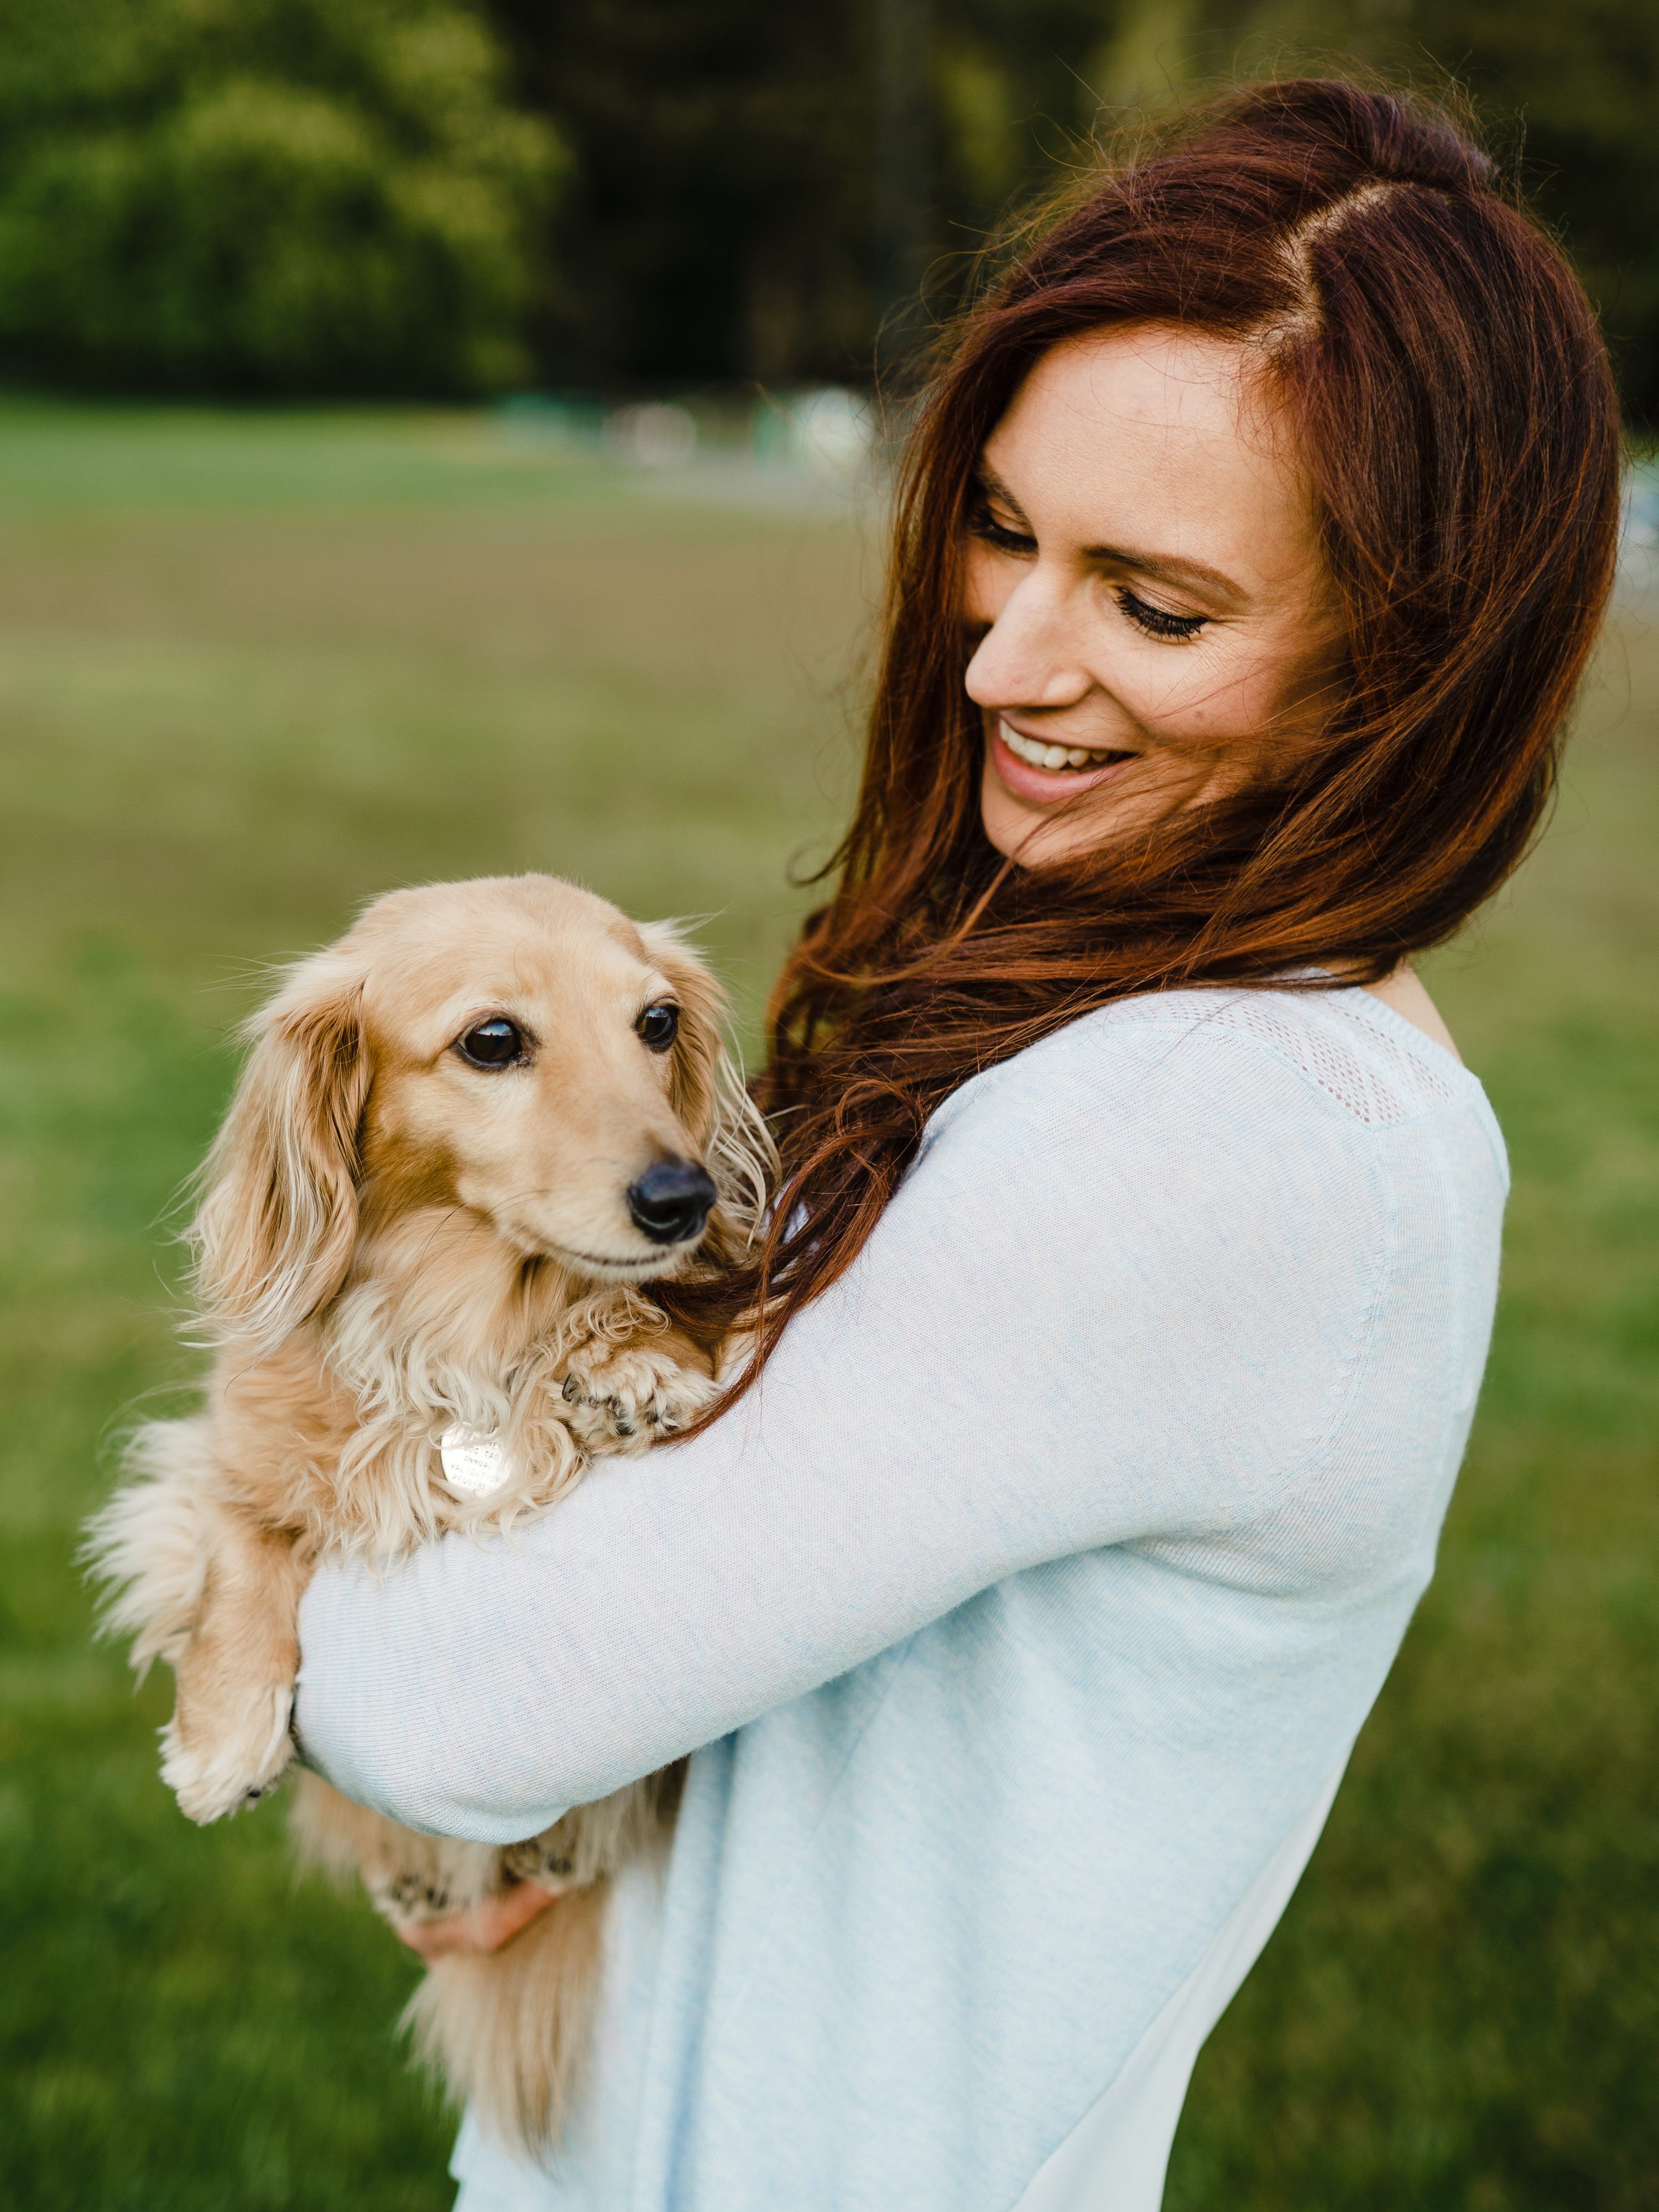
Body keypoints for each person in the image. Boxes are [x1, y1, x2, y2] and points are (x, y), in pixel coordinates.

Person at [294, 79, 1619, 2212]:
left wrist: (385, 1488)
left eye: (1155, 609)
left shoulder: (1216, 1138)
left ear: (1410, 660)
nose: (1005, 656)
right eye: (1005, 527)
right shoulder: (1164, 1030)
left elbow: (449, 1706)